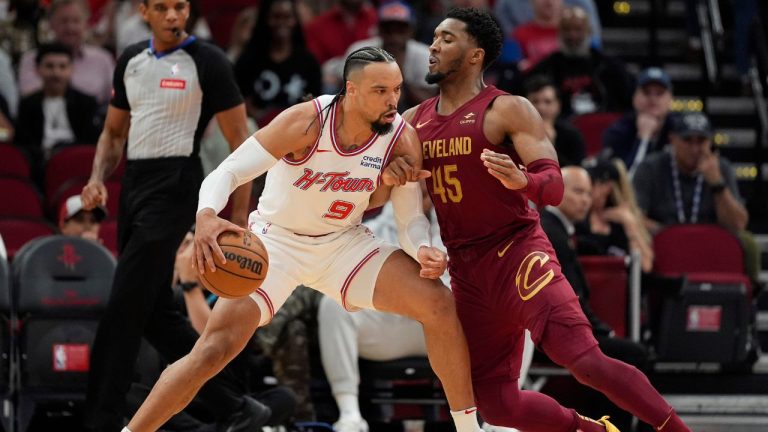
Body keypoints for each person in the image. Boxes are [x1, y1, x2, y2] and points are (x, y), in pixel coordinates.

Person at [121, 46, 484, 432]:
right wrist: (207, 215)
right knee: (213, 350)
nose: (393, 100)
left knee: (438, 302)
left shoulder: (401, 138)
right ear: (351, 90)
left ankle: (469, 428)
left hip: (344, 243)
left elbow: (410, 217)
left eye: (396, 89)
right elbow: (228, 172)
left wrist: (422, 248)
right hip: (277, 243)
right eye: (381, 91)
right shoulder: (305, 122)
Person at [393, 7, 691, 432]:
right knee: (495, 404)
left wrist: (523, 181)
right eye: (435, 37)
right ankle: (594, 430)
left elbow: (555, 187)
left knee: (585, 362)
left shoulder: (507, 109)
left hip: (516, 253)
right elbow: (392, 192)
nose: (434, 46)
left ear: (476, 55)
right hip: (466, 270)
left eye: (446, 38)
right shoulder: (413, 122)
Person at [80, 1, 258, 431]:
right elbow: (113, 132)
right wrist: (97, 176)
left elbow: (243, 144)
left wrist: (237, 219)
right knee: (155, 312)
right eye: (162, 7)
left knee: (123, 305)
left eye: (180, 6)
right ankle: (234, 403)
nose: (173, 15)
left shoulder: (208, 60)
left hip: (178, 181)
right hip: (135, 184)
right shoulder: (131, 60)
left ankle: (101, 418)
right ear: (144, 11)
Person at [540, 166, 650, 431]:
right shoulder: (550, 231)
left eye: (589, 194)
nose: (586, 200)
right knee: (632, 355)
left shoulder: (559, 228)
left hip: (561, 332)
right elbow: (566, 297)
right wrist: (601, 331)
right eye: (578, 192)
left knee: (620, 356)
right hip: (555, 336)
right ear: (557, 191)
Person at [632, 112, 749, 235]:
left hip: (709, 242)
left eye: (701, 141)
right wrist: (671, 236)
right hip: (662, 243)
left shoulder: (722, 168)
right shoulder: (651, 167)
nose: (694, 149)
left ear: (710, 141)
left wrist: (717, 184)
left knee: (747, 242)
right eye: (687, 140)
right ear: (672, 139)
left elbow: (738, 225)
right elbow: (635, 217)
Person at [15, 42, 101, 185]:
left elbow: (91, 141)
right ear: (38, 70)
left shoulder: (86, 103)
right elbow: (23, 143)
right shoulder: (28, 104)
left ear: (72, 69)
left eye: (62, 67)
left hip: (77, 162)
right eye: (49, 66)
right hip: (41, 166)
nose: (56, 73)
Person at [524, 6, 632, 118]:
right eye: (567, 29)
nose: (572, 35)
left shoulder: (611, 67)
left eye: (578, 29)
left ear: (589, 31)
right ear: (559, 32)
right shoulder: (544, 69)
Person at [233, 0, 322, 126]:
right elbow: (238, 101)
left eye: (287, 17)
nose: (281, 23)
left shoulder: (309, 63)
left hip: (297, 130)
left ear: (295, 20)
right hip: (256, 132)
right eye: (276, 17)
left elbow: (316, 105)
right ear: (266, 19)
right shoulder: (249, 59)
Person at [340, 0, 436, 110]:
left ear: (411, 31)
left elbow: (430, 103)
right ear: (379, 30)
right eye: (388, 30)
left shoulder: (424, 55)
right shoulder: (360, 51)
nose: (394, 36)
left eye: (400, 30)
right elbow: (346, 92)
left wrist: (401, 78)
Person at [18, 0, 115, 107]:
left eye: (76, 21)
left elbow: (115, 101)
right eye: (64, 21)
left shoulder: (102, 59)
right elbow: (29, 97)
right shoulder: (31, 59)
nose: (70, 27)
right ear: (51, 24)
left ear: (86, 23)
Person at [578, 158, 654, 272]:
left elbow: (646, 265)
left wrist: (630, 225)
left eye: (596, 183)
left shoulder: (622, 222)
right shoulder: (578, 219)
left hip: (622, 285)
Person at [601, 67, 677, 176]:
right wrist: (643, 139)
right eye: (646, 93)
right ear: (634, 97)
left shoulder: (679, 129)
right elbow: (625, 183)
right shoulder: (617, 132)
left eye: (659, 93)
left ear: (670, 99)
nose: (653, 99)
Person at [523, 75, 585, 167]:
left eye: (547, 102)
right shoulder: (513, 134)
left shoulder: (572, 136)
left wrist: (550, 146)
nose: (541, 108)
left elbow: (576, 173)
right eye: (535, 101)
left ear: (558, 106)